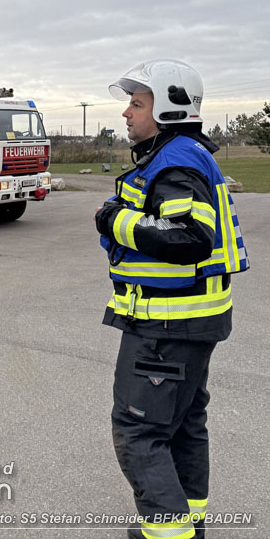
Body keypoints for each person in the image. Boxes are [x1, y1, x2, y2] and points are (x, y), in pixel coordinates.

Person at [94, 59, 249, 539]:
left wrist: (112, 219)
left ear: (168, 109)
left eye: (137, 104)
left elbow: (188, 238)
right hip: (189, 322)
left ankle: (170, 533)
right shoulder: (183, 153)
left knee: (138, 432)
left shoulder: (176, 160)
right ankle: (187, 523)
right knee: (182, 426)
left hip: (166, 326)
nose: (126, 113)